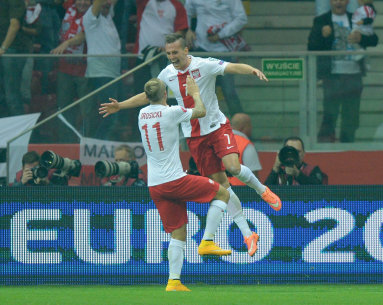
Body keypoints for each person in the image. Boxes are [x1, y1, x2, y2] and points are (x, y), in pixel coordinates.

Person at [99, 33, 281, 258]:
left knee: (233, 167)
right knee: (222, 186)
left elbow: (232, 67)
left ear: (186, 50)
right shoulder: (167, 73)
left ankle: (262, 190)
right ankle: (247, 234)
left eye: (175, 52)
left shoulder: (204, 65)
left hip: (216, 125)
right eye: (168, 53)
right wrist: (121, 106)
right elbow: (148, 95)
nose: (172, 57)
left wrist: (251, 69)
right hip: (194, 135)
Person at [139, 77, 231, 292]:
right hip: (174, 180)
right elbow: (200, 112)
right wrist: (195, 93)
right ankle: (207, 241)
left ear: (147, 96)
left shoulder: (141, 114)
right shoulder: (171, 112)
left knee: (178, 232)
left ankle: (173, 282)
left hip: (155, 185)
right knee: (223, 193)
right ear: (164, 94)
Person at [308, 0, 379, 143]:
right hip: (332, 76)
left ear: (348, 1)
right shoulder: (321, 20)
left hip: (354, 74)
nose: (338, 2)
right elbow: (311, 46)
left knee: (351, 115)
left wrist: (362, 38)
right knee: (330, 114)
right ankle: (327, 147)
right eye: (335, 0)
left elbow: (374, 39)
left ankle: (348, 145)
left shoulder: (357, 18)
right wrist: (323, 36)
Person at [184, 0, 249, 117]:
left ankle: (242, 127)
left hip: (224, 50)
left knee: (229, 92)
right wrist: (189, 29)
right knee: (200, 93)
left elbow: (241, 18)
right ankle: (202, 128)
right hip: (201, 49)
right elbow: (188, 12)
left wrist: (221, 34)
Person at [51, 0, 91, 139]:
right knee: (64, 108)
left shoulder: (93, 14)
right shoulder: (69, 7)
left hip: (84, 69)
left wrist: (67, 43)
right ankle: (65, 141)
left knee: (87, 109)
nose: (83, 3)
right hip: (64, 68)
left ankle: (87, 140)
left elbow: (84, 36)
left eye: (87, 1)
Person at [83, 0, 121, 140]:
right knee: (111, 116)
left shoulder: (108, 17)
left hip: (112, 74)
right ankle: (99, 143)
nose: (107, 3)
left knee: (112, 115)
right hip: (101, 73)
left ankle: (100, 142)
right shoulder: (90, 19)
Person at [132, 0, 188, 94]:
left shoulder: (176, 5)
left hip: (166, 60)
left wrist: (169, 47)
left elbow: (181, 31)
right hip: (143, 58)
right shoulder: (144, 2)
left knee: (163, 96)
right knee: (141, 95)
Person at [1, 0, 32, 117]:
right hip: (5, 50)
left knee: (11, 94)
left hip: (12, 50)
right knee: (5, 95)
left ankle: (19, 132)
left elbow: (15, 25)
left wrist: (3, 47)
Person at [227, 113, 262, 186]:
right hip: (241, 192)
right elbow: (253, 176)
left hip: (218, 191)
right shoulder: (246, 145)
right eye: (250, 125)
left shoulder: (218, 141)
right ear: (244, 127)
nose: (251, 128)